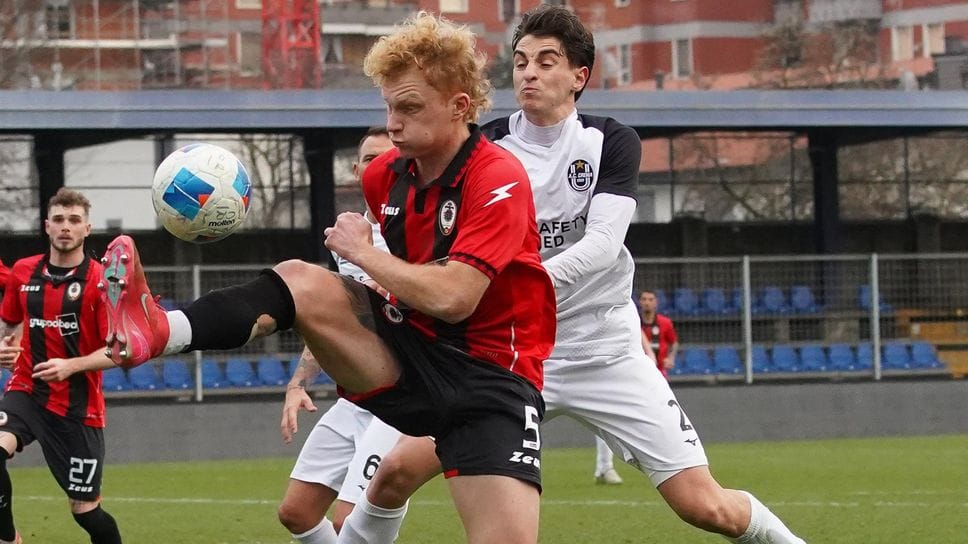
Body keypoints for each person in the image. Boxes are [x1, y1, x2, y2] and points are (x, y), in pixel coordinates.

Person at [336, 6, 807, 544]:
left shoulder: (611, 141)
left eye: (546, 61)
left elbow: (604, 246)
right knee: (395, 473)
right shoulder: (477, 148)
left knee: (706, 507)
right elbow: (392, 224)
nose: (528, 73)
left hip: (603, 349)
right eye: (519, 62)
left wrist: (501, 283)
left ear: (579, 76)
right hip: (504, 356)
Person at [96, 12, 556, 544]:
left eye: (408, 107)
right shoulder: (386, 175)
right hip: (410, 354)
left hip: (491, 378)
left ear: (459, 106)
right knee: (300, 279)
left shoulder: (498, 176)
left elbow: (455, 296)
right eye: (388, 107)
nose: (394, 124)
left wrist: (364, 253)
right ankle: (159, 329)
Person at [276, 126, 403, 544]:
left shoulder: (417, 231)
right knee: (296, 514)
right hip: (354, 399)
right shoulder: (345, 237)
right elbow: (334, 325)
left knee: (350, 522)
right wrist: (298, 382)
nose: (378, 166)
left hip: (403, 401)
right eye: (369, 159)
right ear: (356, 170)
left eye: (389, 158)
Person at [0, 188, 124, 544]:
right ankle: (7, 538)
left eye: (73, 220)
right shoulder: (24, 272)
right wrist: (8, 346)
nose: (65, 227)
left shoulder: (102, 283)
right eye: (58, 220)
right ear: (47, 227)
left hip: (76, 408)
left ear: (87, 228)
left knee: (86, 513)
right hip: (27, 390)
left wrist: (72, 366)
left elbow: (118, 352)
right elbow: (11, 325)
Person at [640, 289, 679, 377]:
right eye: (644, 299)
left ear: (656, 302)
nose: (647, 302)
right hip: (639, 369)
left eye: (650, 299)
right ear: (640, 302)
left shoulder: (665, 322)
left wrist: (671, 358)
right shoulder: (634, 323)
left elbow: (674, 343)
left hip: (660, 370)